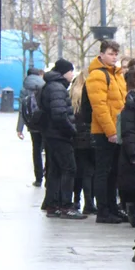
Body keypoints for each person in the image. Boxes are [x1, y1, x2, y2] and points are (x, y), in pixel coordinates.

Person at [86, 40, 127, 223]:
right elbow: (99, 106)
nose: (114, 57)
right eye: (111, 53)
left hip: (115, 129)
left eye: (116, 53)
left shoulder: (116, 74)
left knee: (113, 172)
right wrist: (111, 132)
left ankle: (112, 207)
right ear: (101, 54)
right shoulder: (98, 75)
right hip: (105, 131)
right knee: (104, 171)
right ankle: (103, 210)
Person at [39, 59, 85, 220]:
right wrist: (71, 130)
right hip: (59, 135)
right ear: (64, 72)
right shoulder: (58, 88)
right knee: (69, 168)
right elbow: (59, 114)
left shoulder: (50, 85)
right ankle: (66, 205)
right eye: (71, 71)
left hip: (51, 134)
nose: (73, 74)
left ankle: (53, 204)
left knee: (55, 170)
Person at [117, 65, 135, 229]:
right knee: (133, 185)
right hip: (134, 150)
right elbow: (129, 130)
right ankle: (132, 211)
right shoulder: (132, 102)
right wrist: (133, 151)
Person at [69, 69, 96, 214]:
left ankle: (76, 200)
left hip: (75, 136)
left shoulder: (72, 92)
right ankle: (89, 202)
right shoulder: (90, 91)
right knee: (89, 171)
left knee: (79, 170)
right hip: (89, 135)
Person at [17, 67, 46, 187]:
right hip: (45, 123)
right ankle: (48, 174)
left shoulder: (24, 89)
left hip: (33, 124)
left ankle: (38, 178)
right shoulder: (45, 86)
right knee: (48, 150)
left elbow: (22, 110)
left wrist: (19, 128)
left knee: (36, 150)